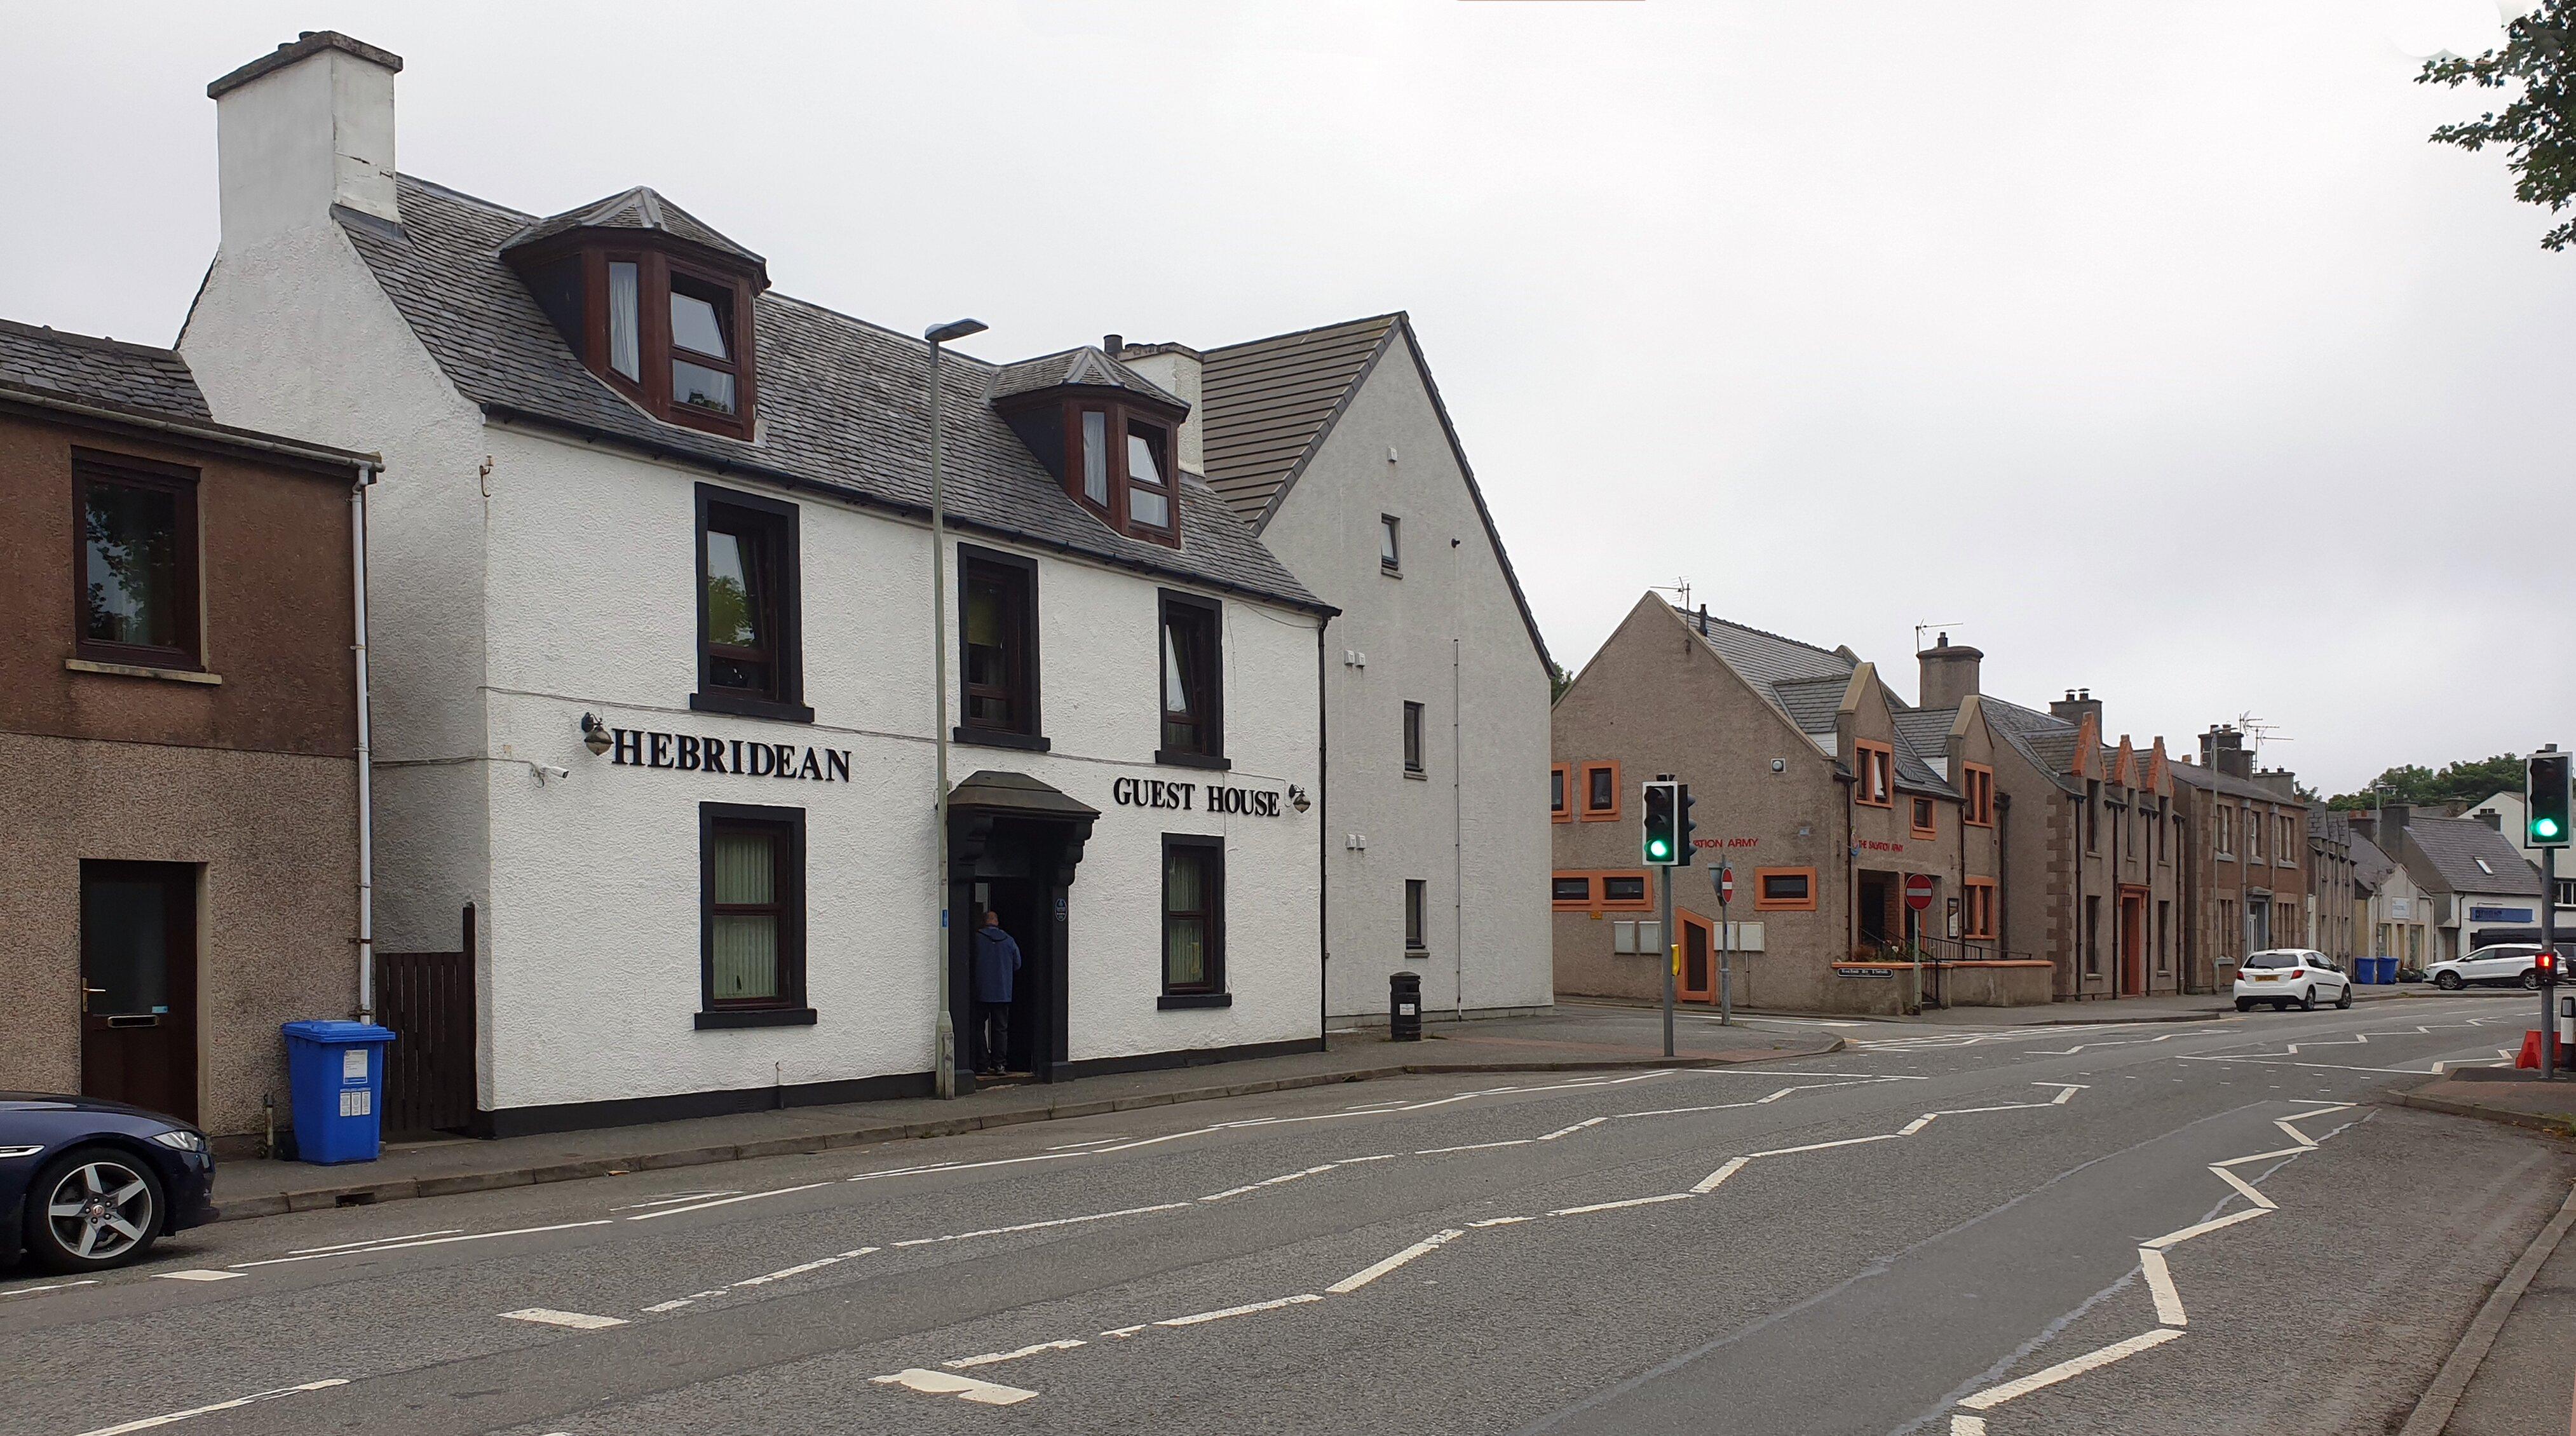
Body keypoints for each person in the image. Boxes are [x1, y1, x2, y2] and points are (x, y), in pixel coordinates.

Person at [971, 909, 1022, 1076]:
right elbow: (1018, 964)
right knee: (1000, 1029)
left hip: (981, 992)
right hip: (1002, 992)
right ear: (997, 922)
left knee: (978, 1027)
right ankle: (999, 1065)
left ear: (983, 922)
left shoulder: (976, 939)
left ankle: (982, 1064)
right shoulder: (1009, 941)